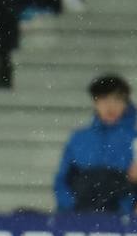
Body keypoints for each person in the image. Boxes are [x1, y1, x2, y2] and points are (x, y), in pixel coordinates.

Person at [54, 75, 137, 213]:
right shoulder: (79, 138)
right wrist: (72, 207)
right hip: (80, 215)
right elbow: (62, 180)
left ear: (126, 103)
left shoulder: (134, 137)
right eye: (104, 100)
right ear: (95, 102)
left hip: (122, 219)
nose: (110, 106)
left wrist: (126, 209)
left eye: (117, 100)